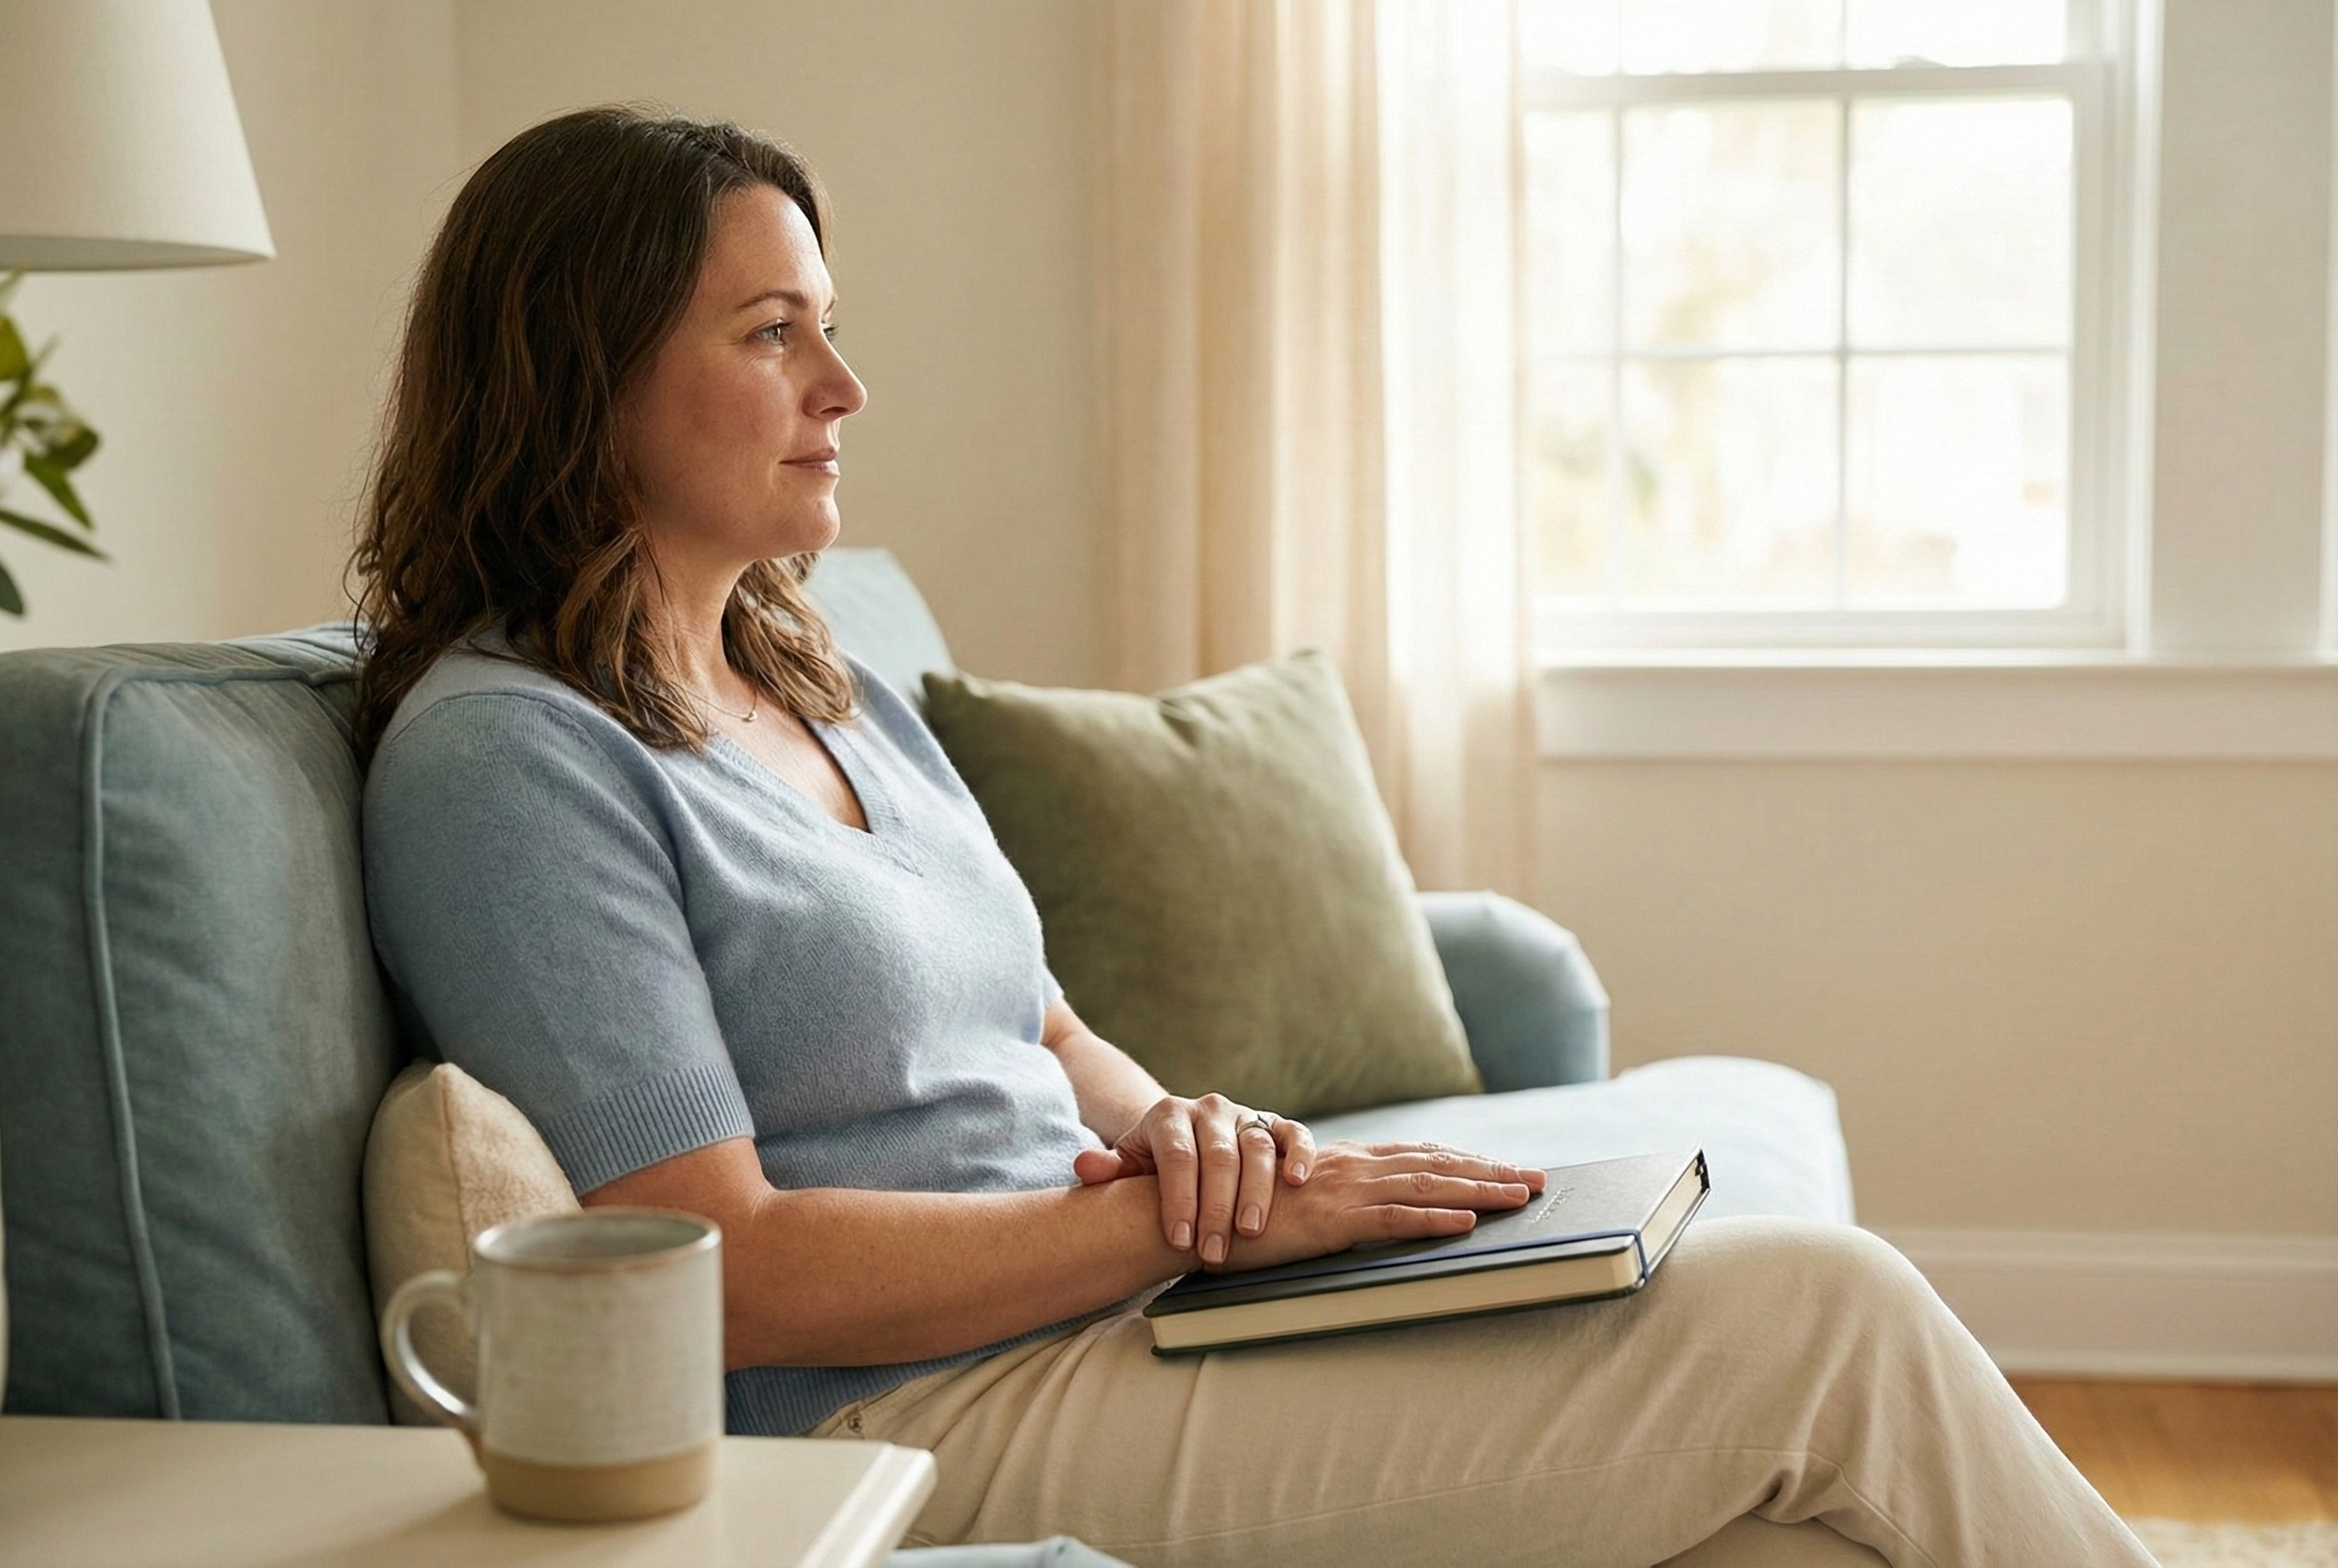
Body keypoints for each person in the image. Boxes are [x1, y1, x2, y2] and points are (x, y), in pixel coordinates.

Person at [354, 107, 2158, 1568]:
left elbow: (1040, 1027)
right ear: (579, 374)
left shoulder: (815, 685)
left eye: (832, 324)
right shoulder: (512, 763)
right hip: (887, 1418)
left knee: (1798, 1540)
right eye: (773, 334)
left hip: (1103, 1325)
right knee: (1826, 1319)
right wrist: (1175, 1233)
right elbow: (714, 1269)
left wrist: (1185, 1138)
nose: (844, 385)